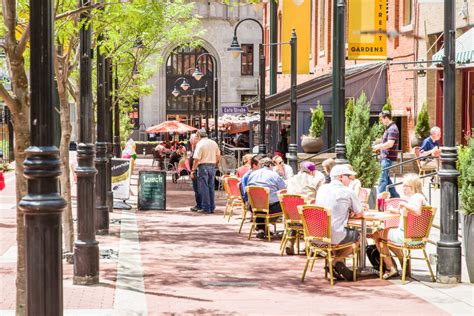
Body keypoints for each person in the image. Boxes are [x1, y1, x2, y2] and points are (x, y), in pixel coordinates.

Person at [372, 173, 428, 280]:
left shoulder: (417, 197)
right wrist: (397, 210)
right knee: (385, 238)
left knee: (376, 235)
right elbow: (410, 213)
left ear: (413, 187)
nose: (403, 188)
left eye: (406, 186)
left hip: (406, 236)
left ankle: (391, 267)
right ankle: (403, 263)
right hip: (416, 237)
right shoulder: (418, 197)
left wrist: (402, 204)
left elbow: (417, 211)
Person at [315, 164, 364, 281]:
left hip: (316, 235)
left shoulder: (322, 189)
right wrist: (351, 212)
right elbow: (361, 213)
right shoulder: (347, 191)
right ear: (341, 177)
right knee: (359, 236)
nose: (351, 179)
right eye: (349, 177)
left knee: (342, 232)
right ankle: (336, 262)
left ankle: (335, 264)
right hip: (334, 235)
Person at [247, 157, 286, 239]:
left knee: (261, 204)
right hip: (271, 208)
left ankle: (261, 228)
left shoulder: (252, 174)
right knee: (285, 204)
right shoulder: (274, 175)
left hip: (254, 207)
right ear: (270, 165)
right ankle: (288, 231)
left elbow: (248, 187)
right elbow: (283, 189)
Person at [191, 129, 221, 214]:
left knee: (204, 187)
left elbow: (196, 159)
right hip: (212, 166)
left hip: (203, 166)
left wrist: (193, 170)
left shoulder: (200, 144)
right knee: (211, 186)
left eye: (197, 136)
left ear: (199, 136)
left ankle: (206, 207)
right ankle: (211, 206)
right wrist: (215, 163)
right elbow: (219, 155)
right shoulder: (213, 143)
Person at [373, 110, 400, 198]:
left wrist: (378, 147)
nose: (381, 122)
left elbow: (390, 144)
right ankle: (395, 197)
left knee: (382, 179)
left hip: (387, 157)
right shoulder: (390, 128)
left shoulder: (392, 129)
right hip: (386, 157)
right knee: (386, 179)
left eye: (382, 119)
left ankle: (379, 199)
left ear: (386, 118)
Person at [189, 134, 202, 212]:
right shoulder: (194, 148)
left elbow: (196, 160)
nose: (190, 140)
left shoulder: (198, 148)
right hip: (195, 171)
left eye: (191, 139)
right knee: (196, 189)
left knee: (198, 189)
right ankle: (199, 204)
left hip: (197, 171)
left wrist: (193, 170)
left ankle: (199, 205)